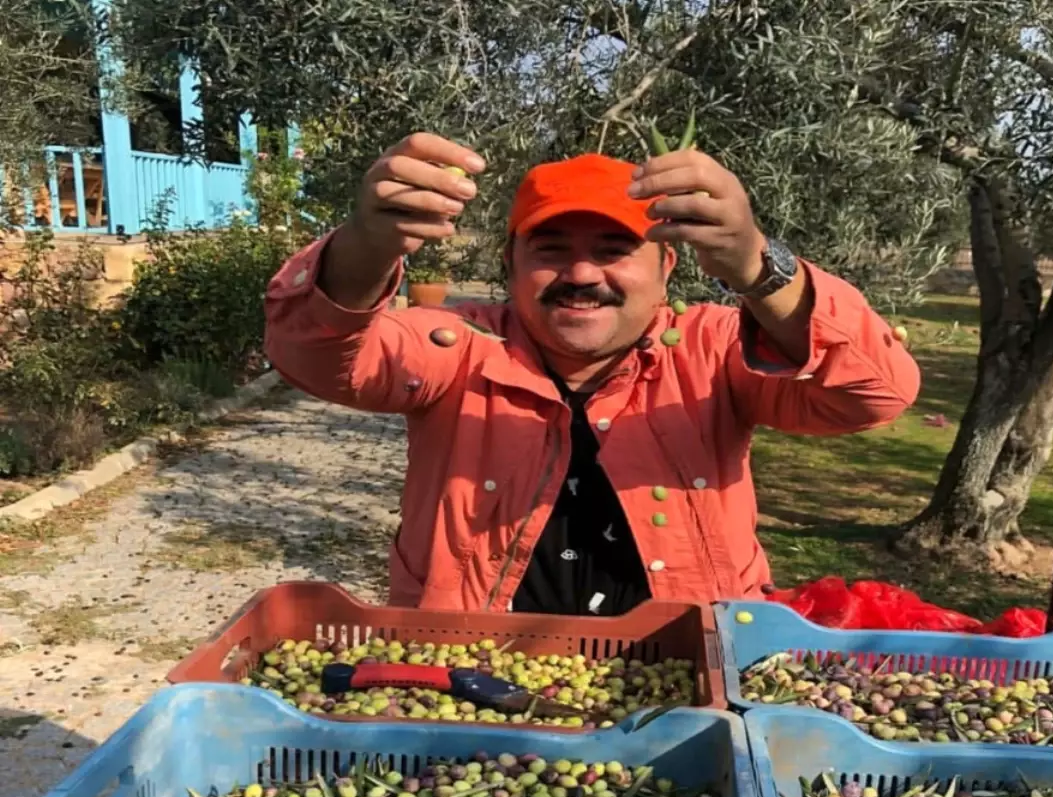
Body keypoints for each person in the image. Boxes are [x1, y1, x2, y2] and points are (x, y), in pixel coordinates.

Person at [264, 133, 921, 613]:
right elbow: (315, 357)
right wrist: (367, 245)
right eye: (552, 250)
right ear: (511, 264)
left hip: (686, 679)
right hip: (470, 680)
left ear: (667, 268)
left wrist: (758, 266)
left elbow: (877, 394)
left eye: (613, 251)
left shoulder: (714, 349)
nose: (581, 276)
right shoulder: (458, 342)